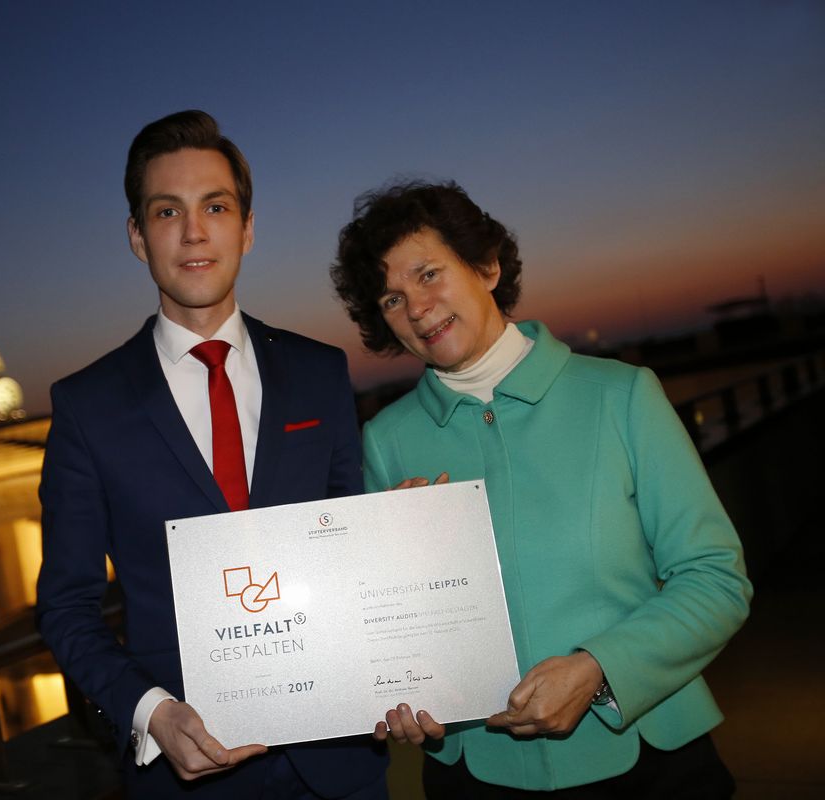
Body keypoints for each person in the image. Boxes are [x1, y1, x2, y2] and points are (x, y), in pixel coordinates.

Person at [330, 181, 753, 797]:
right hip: (475, 777)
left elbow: (717, 578)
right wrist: (396, 690)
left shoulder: (622, 395)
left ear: (487, 265)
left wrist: (601, 669)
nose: (416, 308)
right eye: (391, 298)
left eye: (429, 274)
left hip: (650, 764)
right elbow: (388, 632)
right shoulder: (385, 441)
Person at [36, 110, 387, 799]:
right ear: (138, 236)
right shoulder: (87, 406)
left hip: (341, 765)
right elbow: (67, 607)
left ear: (247, 228)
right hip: (186, 779)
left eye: (215, 207)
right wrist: (151, 713)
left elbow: (355, 552)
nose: (194, 232)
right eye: (168, 211)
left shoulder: (320, 373)